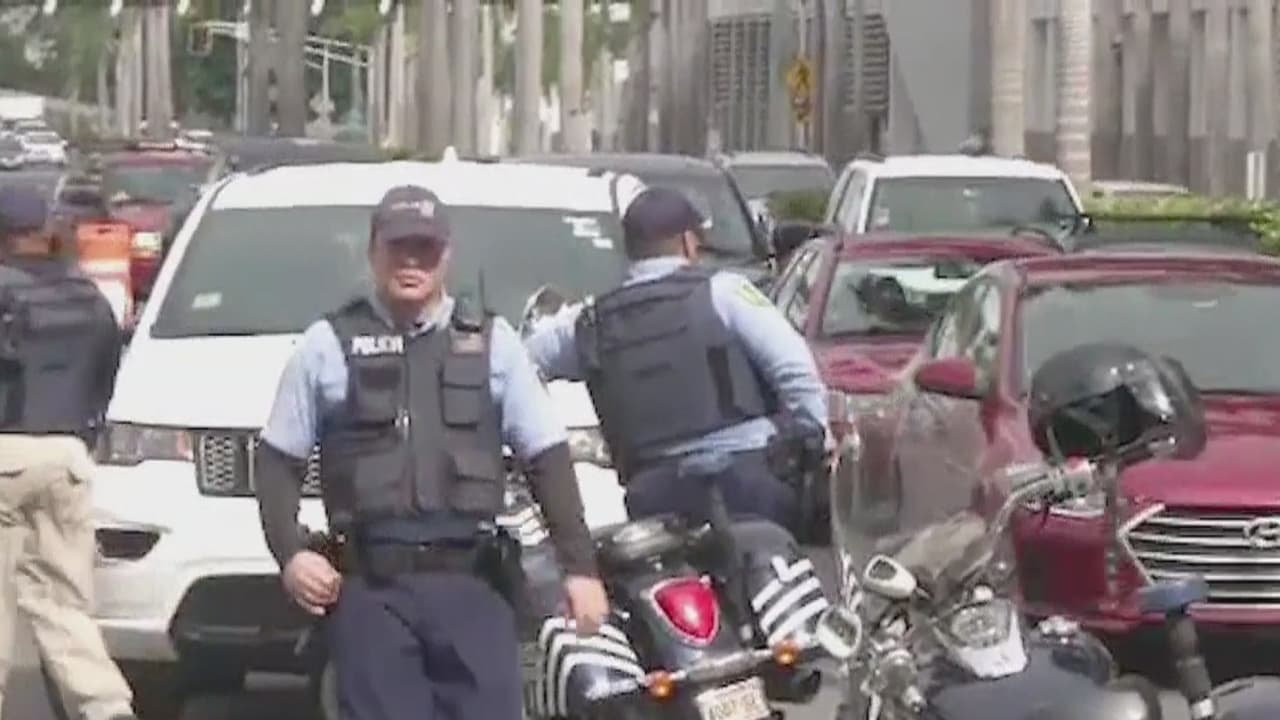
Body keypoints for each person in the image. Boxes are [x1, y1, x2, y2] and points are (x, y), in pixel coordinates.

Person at [255, 185, 608, 720]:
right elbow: (279, 461)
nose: (411, 261)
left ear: (446, 255)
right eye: (398, 247)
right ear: (373, 252)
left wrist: (580, 569)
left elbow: (547, 459)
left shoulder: (494, 344)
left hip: (472, 586)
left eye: (425, 248)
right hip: (372, 591)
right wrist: (291, 554)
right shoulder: (327, 346)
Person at [524, 186, 830, 529]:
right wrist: (818, 444)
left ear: (630, 249)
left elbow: (523, 364)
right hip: (747, 480)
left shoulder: (590, 321)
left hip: (654, 495)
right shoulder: (723, 292)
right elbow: (795, 371)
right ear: (687, 242)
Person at [0, 185, 135, 720]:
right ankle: (107, 708)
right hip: (69, 458)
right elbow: (107, 377)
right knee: (64, 604)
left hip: (6, 454)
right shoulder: (86, 294)